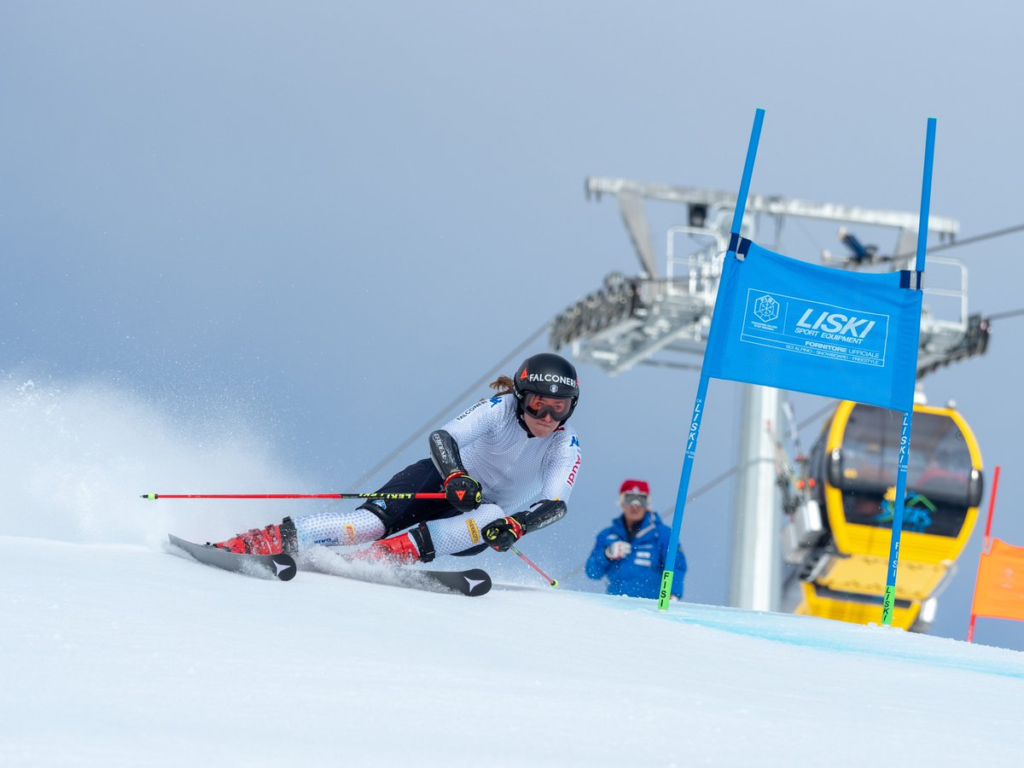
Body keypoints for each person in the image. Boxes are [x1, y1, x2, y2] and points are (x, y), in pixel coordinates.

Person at [213, 352, 583, 565]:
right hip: (437, 483)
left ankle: (376, 561)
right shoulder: (498, 409)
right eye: (538, 404)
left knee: (492, 515)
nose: (547, 418)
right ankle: (257, 542)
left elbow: (555, 504)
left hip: (472, 518)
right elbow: (444, 437)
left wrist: (518, 526)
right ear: (520, 396)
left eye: (559, 408)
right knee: (366, 526)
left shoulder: (564, 446)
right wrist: (455, 475)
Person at [586, 479, 687, 599]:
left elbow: (676, 565)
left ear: (647, 504)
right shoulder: (607, 535)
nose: (635, 506)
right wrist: (606, 554)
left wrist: (672, 594)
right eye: (629, 499)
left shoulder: (662, 534)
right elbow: (592, 573)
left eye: (641, 500)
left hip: (649, 607)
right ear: (621, 503)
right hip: (614, 606)